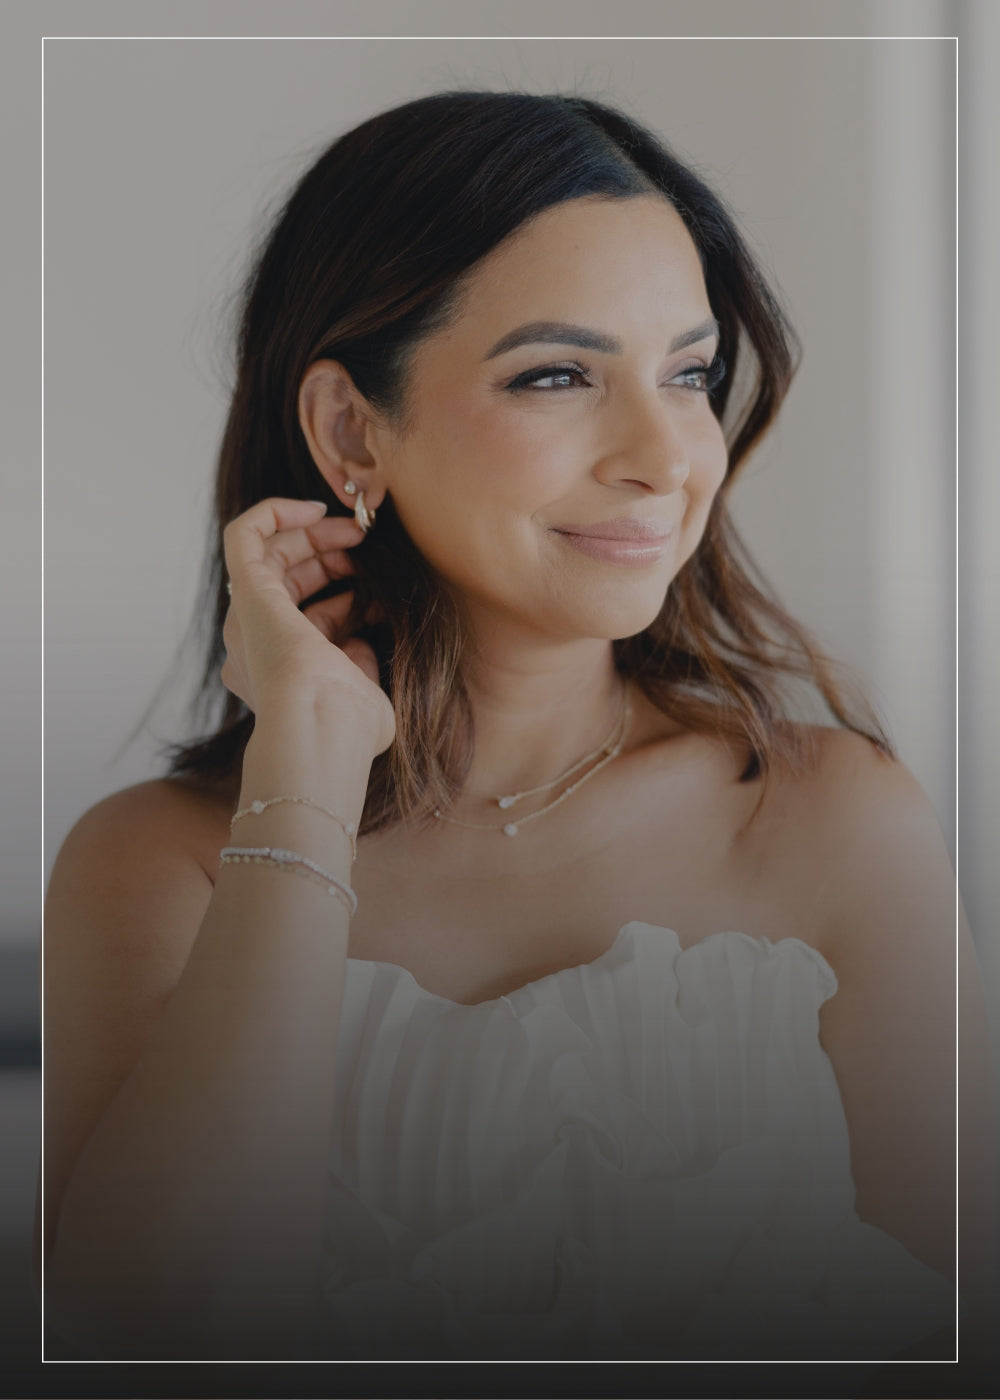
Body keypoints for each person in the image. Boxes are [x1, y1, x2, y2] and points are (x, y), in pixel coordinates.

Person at [38, 91, 994, 1366]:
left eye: (690, 373)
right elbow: (156, 1343)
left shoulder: (830, 816)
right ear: (349, 429)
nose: (666, 454)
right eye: (557, 374)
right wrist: (309, 764)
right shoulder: (155, 866)